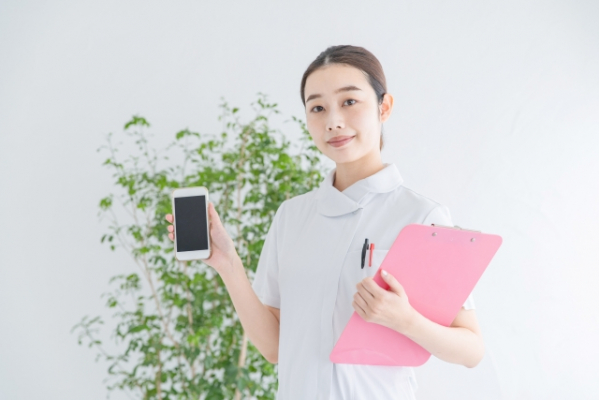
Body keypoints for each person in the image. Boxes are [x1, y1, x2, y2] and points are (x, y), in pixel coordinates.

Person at [165, 45, 484, 400]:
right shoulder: (292, 216)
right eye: (317, 108)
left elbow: (471, 349)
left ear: (384, 107)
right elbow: (273, 347)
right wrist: (228, 264)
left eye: (349, 102)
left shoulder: (421, 217)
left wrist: (405, 320)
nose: (333, 121)